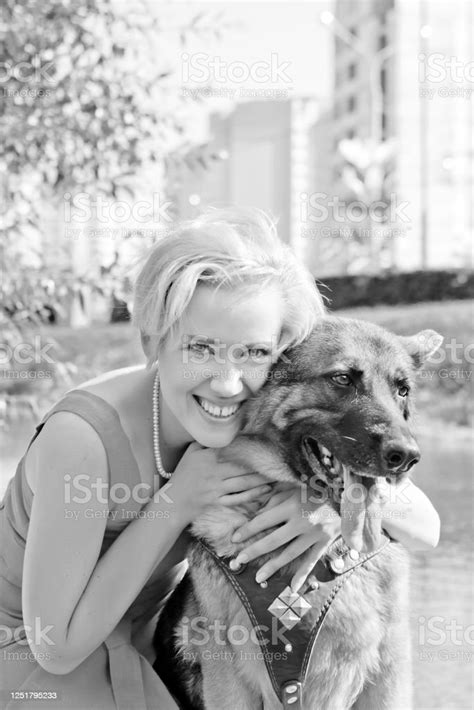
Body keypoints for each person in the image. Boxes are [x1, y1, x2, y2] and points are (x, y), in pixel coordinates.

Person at [0, 207, 440, 709]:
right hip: (35, 668)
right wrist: (178, 500)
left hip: (143, 653)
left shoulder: (239, 417)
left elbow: (425, 526)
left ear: (281, 358)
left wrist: (325, 504)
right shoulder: (82, 440)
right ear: (151, 339)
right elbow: (54, 648)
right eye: (200, 347)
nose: (228, 382)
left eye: (253, 353)